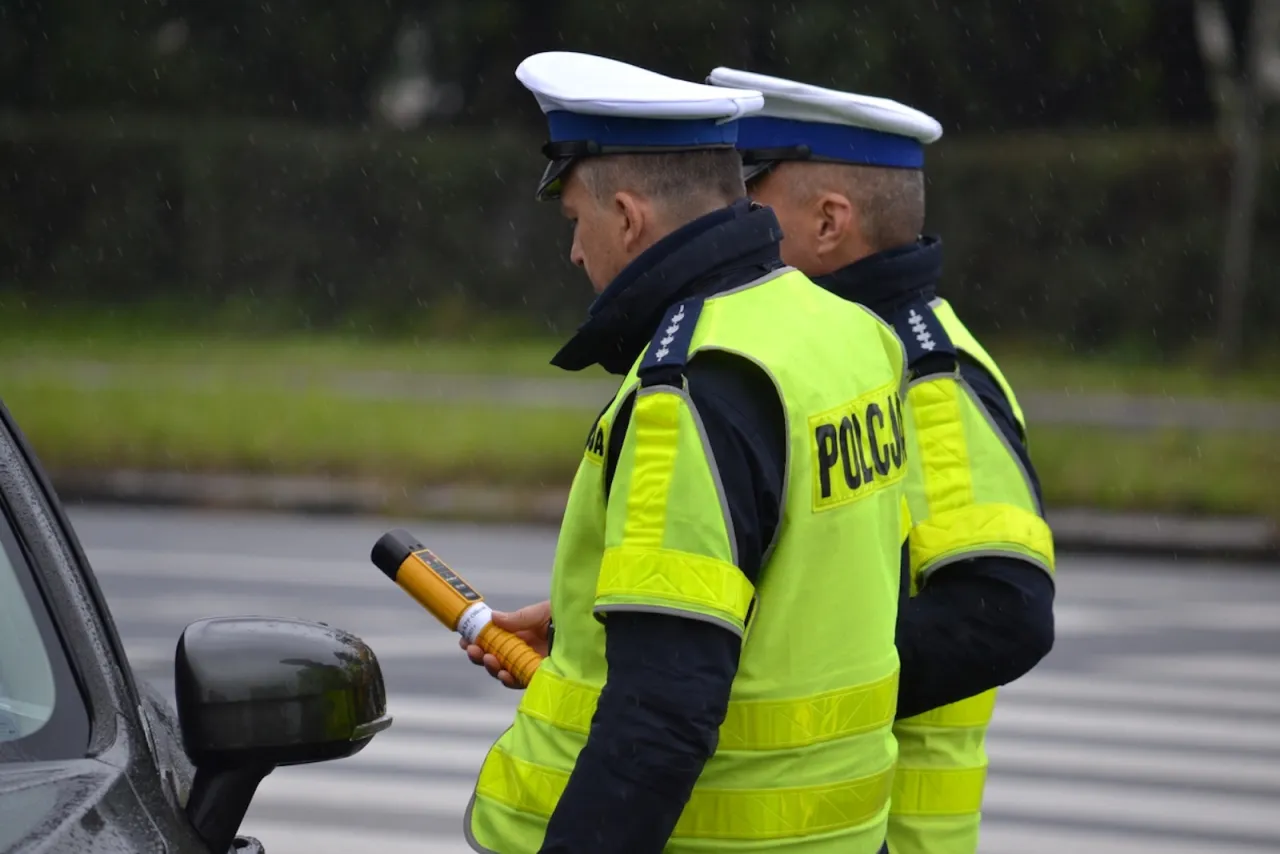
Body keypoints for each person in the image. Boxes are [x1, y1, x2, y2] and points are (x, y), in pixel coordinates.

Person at [460, 50, 913, 854]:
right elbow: (808, 586)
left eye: (575, 223)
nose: (573, 253)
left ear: (628, 217)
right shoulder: (850, 334)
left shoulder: (688, 385)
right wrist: (596, 631)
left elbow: (660, 719)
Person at [703, 67, 1057, 854]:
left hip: (891, 832)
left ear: (829, 222)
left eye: (746, 198)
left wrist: (749, 675)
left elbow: (1003, 613)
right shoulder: (834, 349)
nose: (726, 220)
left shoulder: (926, 376)